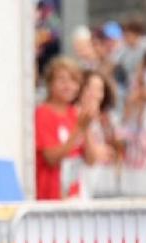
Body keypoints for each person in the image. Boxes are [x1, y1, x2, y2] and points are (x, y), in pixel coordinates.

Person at [35, 57, 89, 200]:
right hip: (50, 197)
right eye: (62, 80)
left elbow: (91, 158)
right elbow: (51, 158)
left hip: (74, 195)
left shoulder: (74, 113)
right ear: (50, 83)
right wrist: (78, 129)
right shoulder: (43, 113)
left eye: (73, 81)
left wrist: (86, 126)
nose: (68, 86)